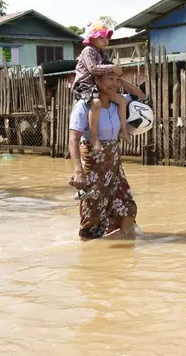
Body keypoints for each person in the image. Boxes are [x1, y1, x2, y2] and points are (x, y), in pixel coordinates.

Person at [68, 63, 146, 241]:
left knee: (127, 207)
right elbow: (73, 140)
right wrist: (78, 172)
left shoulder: (118, 102)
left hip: (114, 164)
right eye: (109, 79)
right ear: (96, 79)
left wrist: (119, 76)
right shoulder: (84, 105)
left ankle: (124, 250)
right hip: (94, 162)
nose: (114, 83)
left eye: (117, 80)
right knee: (93, 214)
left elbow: (140, 96)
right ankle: (90, 254)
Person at [73, 20, 139, 152]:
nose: (105, 41)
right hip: (84, 86)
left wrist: (115, 73)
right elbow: (92, 68)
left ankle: (123, 131)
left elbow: (108, 69)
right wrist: (112, 67)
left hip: (97, 85)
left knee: (121, 100)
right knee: (96, 103)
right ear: (91, 39)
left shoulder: (103, 53)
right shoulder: (88, 50)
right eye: (101, 38)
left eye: (106, 37)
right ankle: (93, 136)